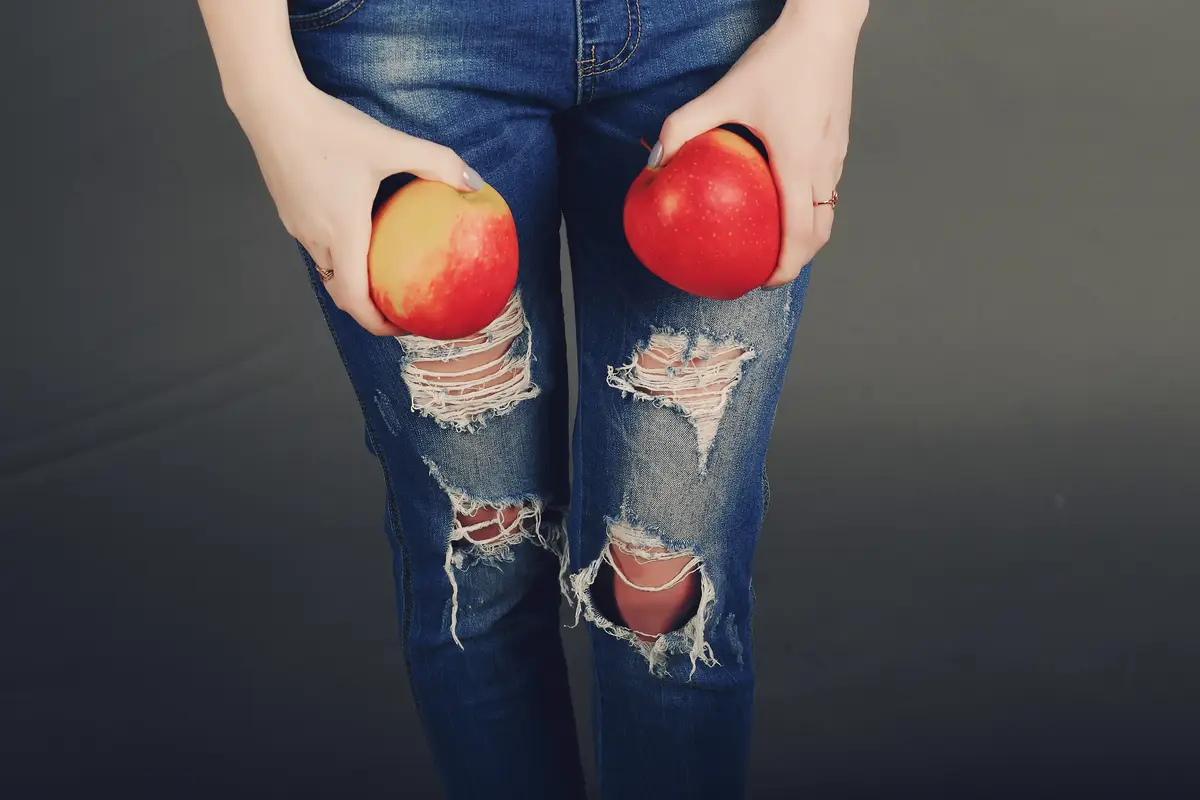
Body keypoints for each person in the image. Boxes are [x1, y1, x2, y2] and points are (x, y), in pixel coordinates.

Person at [198, 0, 868, 796]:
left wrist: (825, 26)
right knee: (484, 558)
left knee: (667, 584)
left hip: (712, 26)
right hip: (402, 36)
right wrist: (263, 91)